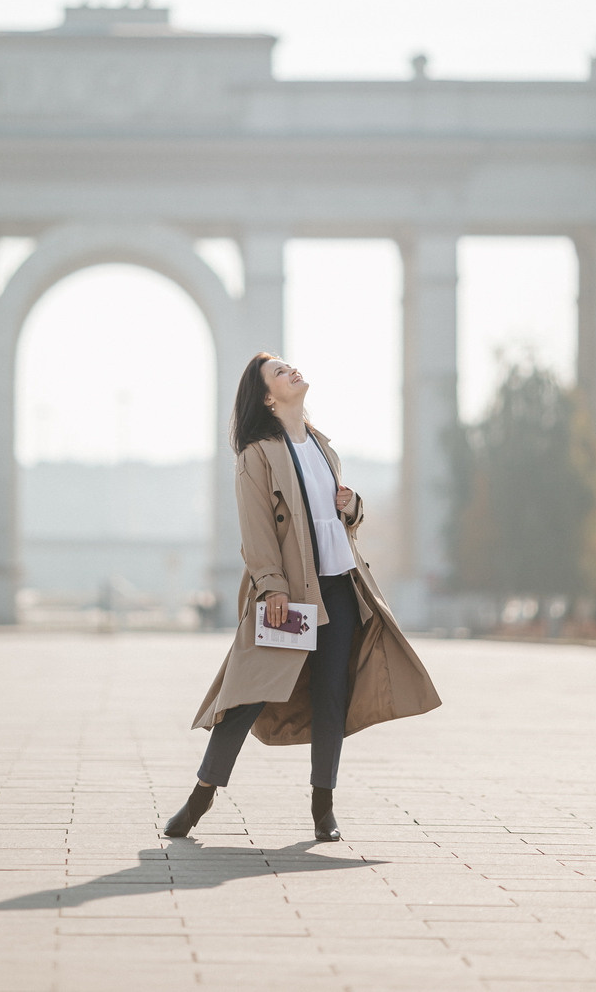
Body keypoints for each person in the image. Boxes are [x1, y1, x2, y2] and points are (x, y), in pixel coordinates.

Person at [165, 354, 441, 843]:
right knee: (247, 694)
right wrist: (272, 585)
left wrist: (353, 507)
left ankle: (323, 807)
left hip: (339, 587)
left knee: (332, 696)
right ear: (267, 398)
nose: (291, 371)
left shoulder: (322, 447)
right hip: (290, 595)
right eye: (279, 372)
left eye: (288, 365)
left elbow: (338, 521)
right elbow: (256, 529)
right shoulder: (256, 455)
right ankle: (200, 796)